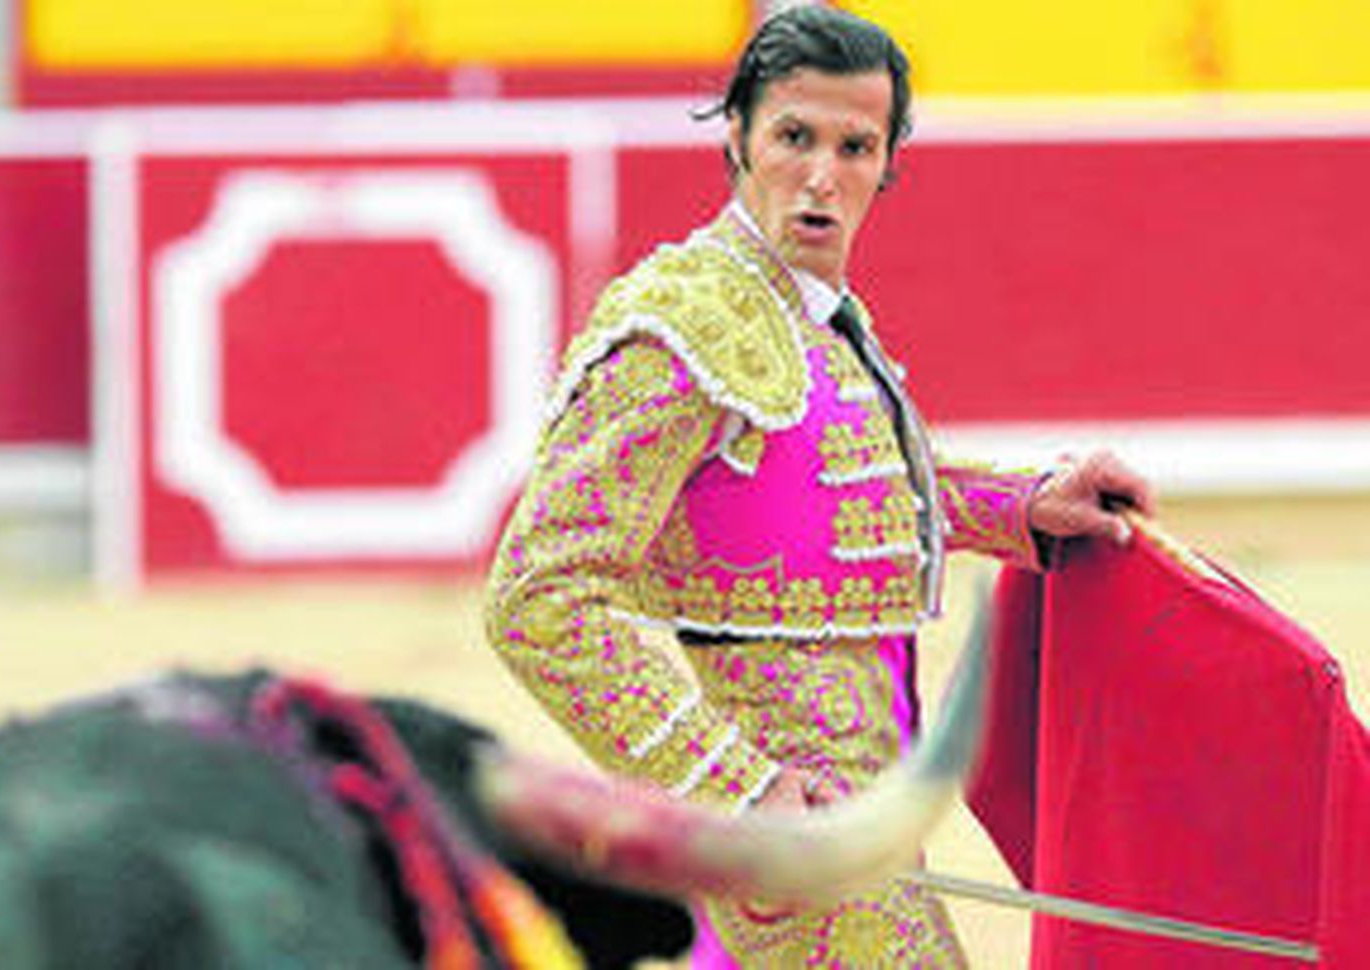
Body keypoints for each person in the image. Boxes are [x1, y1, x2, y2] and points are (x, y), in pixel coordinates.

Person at [483, 4, 1154, 966]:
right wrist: (736, 786)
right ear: (737, 138)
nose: (821, 175)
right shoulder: (684, 326)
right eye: (794, 137)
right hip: (794, 834)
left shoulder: (810, 314)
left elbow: (834, 506)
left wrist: (1024, 508)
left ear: (888, 164)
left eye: (854, 147)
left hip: (859, 813)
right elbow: (535, 598)